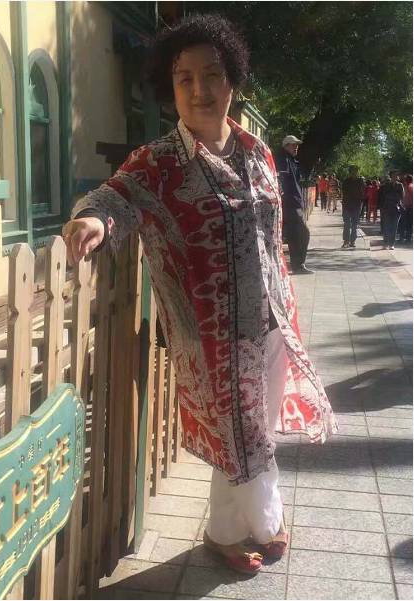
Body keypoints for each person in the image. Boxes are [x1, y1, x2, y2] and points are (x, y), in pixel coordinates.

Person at [62, 14, 336, 576]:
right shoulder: (159, 162)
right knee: (237, 436)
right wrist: (92, 219)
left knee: (257, 428)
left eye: (212, 74)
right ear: (170, 86)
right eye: (184, 77)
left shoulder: (257, 150)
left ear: (232, 79)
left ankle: (253, 523)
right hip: (210, 337)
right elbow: (115, 197)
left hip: (271, 321)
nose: (199, 89)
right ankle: (235, 530)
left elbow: (272, 235)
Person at [275, 136, 314, 274]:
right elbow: (279, 179)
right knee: (303, 233)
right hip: (290, 204)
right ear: (286, 145)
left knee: (295, 235)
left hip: (295, 203)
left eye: (297, 145)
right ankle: (298, 265)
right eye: (293, 145)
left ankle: (297, 266)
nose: (296, 147)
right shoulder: (283, 159)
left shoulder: (292, 160)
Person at [378, 170, 405, 249]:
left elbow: (402, 196)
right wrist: (381, 207)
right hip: (386, 208)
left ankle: (392, 244)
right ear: (391, 176)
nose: (396, 177)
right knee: (386, 227)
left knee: (394, 227)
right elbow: (382, 196)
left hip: (396, 208)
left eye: (397, 175)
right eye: (394, 175)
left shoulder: (400, 185)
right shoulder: (386, 185)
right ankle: (386, 243)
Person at [341, 165, 365, 248]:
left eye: (356, 171)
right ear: (350, 172)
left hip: (356, 205)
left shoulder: (360, 181)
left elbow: (363, 193)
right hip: (347, 205)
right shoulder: (346, 181)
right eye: (353, 171)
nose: (354, 173)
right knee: (347, 224)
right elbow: (343, 193)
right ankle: (346, 241)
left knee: (354, 224)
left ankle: (353, 241)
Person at [399, 174, 413, 242]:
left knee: (405, 223)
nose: (404, 180)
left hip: (408, 207)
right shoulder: (408, 186)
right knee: (408, 223)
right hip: (407, 207)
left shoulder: (409, 187)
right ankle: (407, 238)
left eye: (405, 179)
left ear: (407, 180)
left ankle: (406, 238)